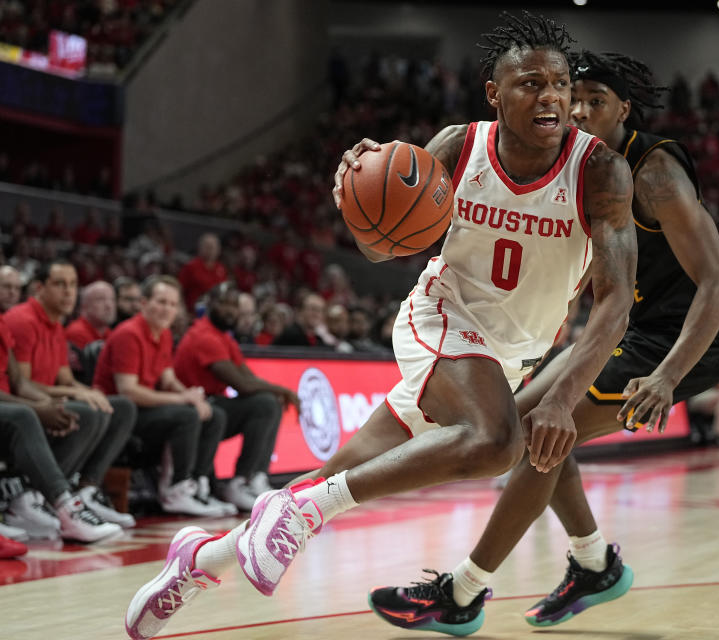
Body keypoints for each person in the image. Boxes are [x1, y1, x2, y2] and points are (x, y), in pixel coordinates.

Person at [124, 13, 637, 640]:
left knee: (343, 469)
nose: (552, 96)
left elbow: (614, 304)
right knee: (499, 441)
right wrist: (359, 196)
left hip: (507, 356)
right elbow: (384, 249)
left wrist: (560, 395)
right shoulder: (459, 146)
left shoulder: (601, 171)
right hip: (440, 321)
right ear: (494, 94)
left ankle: (198, 562)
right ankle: (306, 511)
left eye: (559, 82)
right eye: (530, 83)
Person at [369, 49, 719, 633]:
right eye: (577, 98)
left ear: (625, 108)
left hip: (684, 338)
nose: (581, 109)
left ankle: (464, 592)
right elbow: (572, 280)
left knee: (530, 433)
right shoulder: (576, 169)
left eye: (597, 101)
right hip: (633, 330)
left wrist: (669, 374)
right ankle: (593, 564)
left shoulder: (652, 171)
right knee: (536, 424)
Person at [4, 260, 137, 528]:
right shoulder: (21, 320)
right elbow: (23, 384)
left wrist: (86, 392)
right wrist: (54, 402)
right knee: (87, 413)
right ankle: (40, 496)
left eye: (74, 285)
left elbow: (63, 378)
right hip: (22, 406)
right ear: (39, 288)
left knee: (119, 407)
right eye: (60, 284)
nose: (69, 292)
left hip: (29, 402)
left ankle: (85, 489)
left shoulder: (56, 324)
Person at [94, 275, 229, 517]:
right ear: (144, 303)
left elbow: (167, 378)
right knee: (186, 416)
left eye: (172, 304)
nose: (167, 309)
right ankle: (175, 490)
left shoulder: (163, 334)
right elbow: (129, 390)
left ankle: (196, 485)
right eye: (161, 302)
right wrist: (182, 400)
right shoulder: (130, 334)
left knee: (213, 414)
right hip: (120, 413)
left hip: (145, 408)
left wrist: (190, 395)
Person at [174, 282, 299, 510]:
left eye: (234, 305)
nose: (231, 311)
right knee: (264, 403)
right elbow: (242, 385)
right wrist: (285, 391)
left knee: (268, 402)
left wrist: (278, 392)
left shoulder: (224, 337)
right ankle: (240, 482)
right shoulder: (204, 335)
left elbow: (249, 377)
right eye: (224, 304)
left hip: (211, 403)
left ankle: (255, 477)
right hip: (192, 404)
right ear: (210, 304)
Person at [0, 314, 123, 542]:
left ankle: (37, 499)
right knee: (24, 415)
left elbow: (19, 382)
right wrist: (38, 409)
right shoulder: (22, 320)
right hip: (10, 409)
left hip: (10, 404)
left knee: (87, 412)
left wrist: (47, 406)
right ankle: (66, 507)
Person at [178, 233, 228, 312]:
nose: (210, 250)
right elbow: (179, 290)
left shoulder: (221, 268)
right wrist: (182, 309)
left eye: (213, 247)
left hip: (214, 313)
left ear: (219, 249)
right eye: (207, 246)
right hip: (193, 312)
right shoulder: (191, 267)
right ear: (200, 248)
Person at [65, 280, 116, 349]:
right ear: (85, 306)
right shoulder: (76, 333)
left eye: (112, 299)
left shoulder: (109, 333)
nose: (109, 305)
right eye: (100, 299)